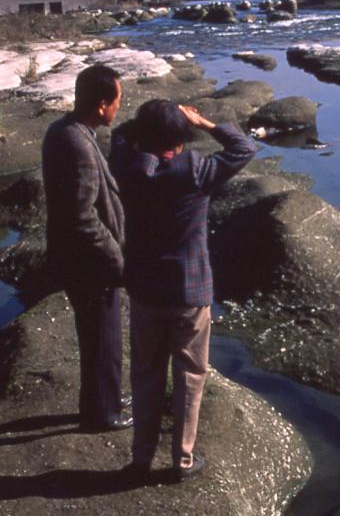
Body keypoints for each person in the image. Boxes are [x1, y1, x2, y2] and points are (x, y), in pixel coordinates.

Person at [110, 99, 255, 481]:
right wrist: (203, 122)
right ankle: (182, 460)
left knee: (146, 373)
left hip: (145, 288)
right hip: (190, 290)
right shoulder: (196, 169)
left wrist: (147, 125)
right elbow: (244, 148)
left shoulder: (127, 167)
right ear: (180, 136)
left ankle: (141, 459)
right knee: (190, 375)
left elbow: (121, 134)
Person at [41, 63, 131, 432]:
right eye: (117, 101)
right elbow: (81, 217)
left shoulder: (67, 130)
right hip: (88, 262)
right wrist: (117, 257)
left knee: (103, 335)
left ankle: (108, 398)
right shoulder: (77, 143)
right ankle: (101, 414)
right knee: (101, 337)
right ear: (100, 104)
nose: (118, 108)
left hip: (77, 258)